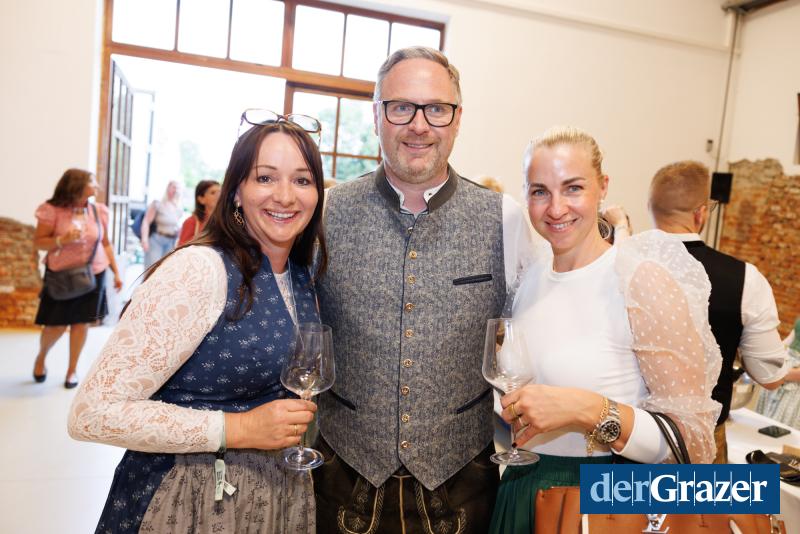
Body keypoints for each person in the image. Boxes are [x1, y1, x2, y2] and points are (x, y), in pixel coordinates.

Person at [68, 115, 327, 533]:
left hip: (272, 496)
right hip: (188, 500)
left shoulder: (299, 271)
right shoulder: (199, 270)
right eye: (265, 177)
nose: (285, 196)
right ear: (236, 190)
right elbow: (92, 414)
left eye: (302, 180)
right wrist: (239, 427)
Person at [313, 46, 533, 533]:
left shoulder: (505, 219)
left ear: (457, 120)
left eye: (436, 109)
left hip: (462, 486)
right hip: (341, 478)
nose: (419, 125)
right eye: (401, 107)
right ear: (376, 115)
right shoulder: (325, 213)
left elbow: (535, 332)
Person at [489, 127, 722, 533]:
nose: (556, 208)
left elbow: (691, 441)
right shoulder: (530, 277)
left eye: (573, 188)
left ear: (603, 187)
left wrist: (587, 409)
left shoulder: (639, 280)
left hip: (601, 503)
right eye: (540, 191)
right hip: (523, 490)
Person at [649, 160, 788, 462]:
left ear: (651, 208)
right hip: (702, 442)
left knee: (617, 497)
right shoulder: (745, 279)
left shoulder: (619, 263)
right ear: (701, 213)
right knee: (704, 498)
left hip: (626, 435)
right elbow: (769, 375)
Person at [32, 169, 122, 388]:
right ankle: (41, 357)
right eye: (92, 181)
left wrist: (116, 272)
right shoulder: (51, 210)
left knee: (81, 324)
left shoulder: (98, 210)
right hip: (61, 275)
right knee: (56, 326)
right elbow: (39, 242)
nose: (96, 185)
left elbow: (106, 243)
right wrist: (62, 240)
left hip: (93, 274)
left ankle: (72, 370)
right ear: (77, 185)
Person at [758, 318, 800, 428]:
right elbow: (792, 338)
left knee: (780, 429)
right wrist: (772, 357)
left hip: (794, 378)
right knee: (762, 422)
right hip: (784, 365)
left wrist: (785, 374)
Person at [141, 180, 183, 268]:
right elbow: (146, 221)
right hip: (156, 240)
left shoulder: (178, 208)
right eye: (174, 187)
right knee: (152, 269)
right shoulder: (158, 203)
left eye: (178, 188)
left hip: (171, 242)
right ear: (168, 188)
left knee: (164, 270)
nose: (176, 190)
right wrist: (144, 240)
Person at [177, 179, 220, 246]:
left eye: (220, 192)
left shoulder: (223, 221)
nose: (219, 196)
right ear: (201, 199)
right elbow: (182, 248)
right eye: (213, 193)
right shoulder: (191, 222)